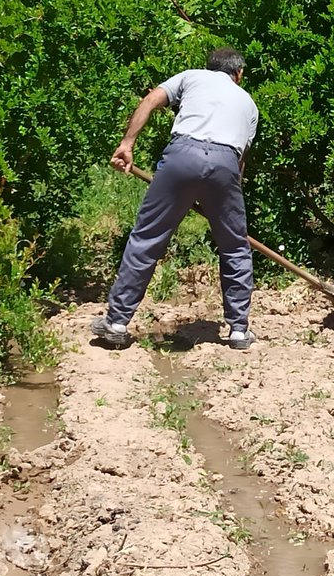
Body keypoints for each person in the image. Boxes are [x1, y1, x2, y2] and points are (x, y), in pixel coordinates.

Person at [91, 47, 259, 350]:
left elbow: (151, 100)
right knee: (235, 247)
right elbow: (240, 161)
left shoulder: (191, 77)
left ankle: (116, 323)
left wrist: (127, 143)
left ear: (210, 67)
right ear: (239, 74)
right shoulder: (248, 103)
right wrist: (221, 201)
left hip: (183, 155)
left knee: (147, 239)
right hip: (225, 164)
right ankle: (238, 331)